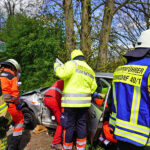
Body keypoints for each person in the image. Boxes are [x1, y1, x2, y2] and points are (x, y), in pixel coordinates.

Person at [109, 29, 150, 150]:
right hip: (144, 140)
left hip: (122, 136)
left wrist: (112, 124)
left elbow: (113, 102)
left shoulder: (119, 70)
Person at [54, 49, 97, 150]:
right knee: (81, 125)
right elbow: (94, 87)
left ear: (73, 57)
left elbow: (62, 75)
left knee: (69, 126)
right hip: (84, 104)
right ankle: (81, 148)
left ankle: (67, 147)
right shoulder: (89, 69)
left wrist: (56, 66)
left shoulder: (71, 64)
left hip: (70, 103)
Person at [0, 59, 24, 150]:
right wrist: (19, 103)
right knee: (20, 120)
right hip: (7, 107)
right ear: (13, 68)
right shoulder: (12, 76)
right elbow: (14, 96)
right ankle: (14, 146)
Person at [44, 80, 64, 150]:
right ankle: (55, 143)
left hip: (47, 98)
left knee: (59, 119)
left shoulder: (60, 81)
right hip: (53, 99)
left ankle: (58, 135)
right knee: (61, 122)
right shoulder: (68, 82)